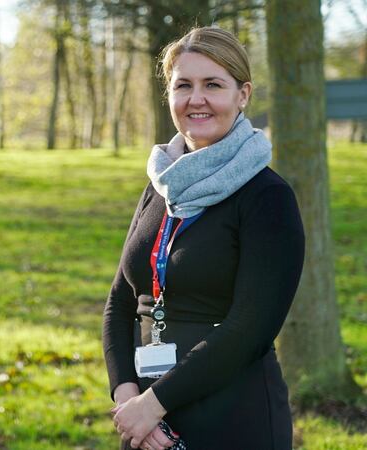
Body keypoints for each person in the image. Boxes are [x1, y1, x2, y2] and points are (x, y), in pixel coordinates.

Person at [102, 27, 304, 450]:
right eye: (183, 85)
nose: (197, 98)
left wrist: (154, 403)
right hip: (145, 424)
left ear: (242, 94)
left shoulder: (268, 197)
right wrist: (127, 397)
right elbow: (120, 301)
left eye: (213, 84)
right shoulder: (160, 185)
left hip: (232, 418)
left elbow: (251, 327)